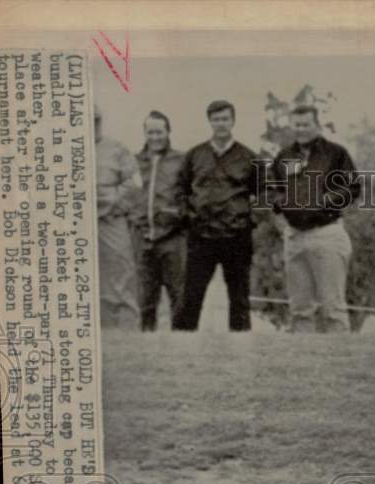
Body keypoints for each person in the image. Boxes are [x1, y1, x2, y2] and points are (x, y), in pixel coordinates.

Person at [268, 105, 360, 333]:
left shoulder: (336, 154)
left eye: (306, 124)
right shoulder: (284, 156)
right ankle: (304, 365)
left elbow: (353, 187)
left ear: (317, 125)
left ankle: (339, 363)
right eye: (297, 124)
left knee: (333, 308)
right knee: (299, 309)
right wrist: (282, 208)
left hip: (326, 233)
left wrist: (324, 200)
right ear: (291, 126)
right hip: (294, 237)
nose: (301, 129)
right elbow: (271, 189)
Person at [173, 100, 258, 331]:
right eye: (216, 119)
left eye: (225, 119)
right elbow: (180, 190)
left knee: (239, 296)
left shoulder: (249, 156)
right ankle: (180, 346)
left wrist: (248, 220)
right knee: (191, 294)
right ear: (209, 121)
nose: (221, 124)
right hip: (201, 236)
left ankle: (241, 348)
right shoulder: (195, 155)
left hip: (237, 237)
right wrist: (188, 216)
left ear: (233, 121)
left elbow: (263, 194)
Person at [131, 111, 187, 330]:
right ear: (145, 133)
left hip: (173, 239)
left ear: (168, 132)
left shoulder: (181, 161)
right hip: (143, 239)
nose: (155, 137)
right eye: (150, 132)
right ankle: (147, 350)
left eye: (159, 132)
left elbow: (192, 195)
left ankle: (181, 351)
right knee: (145, 300)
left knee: (179, 296)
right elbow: (128, 195)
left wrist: (177, 214)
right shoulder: (134, 162)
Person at [95, 105, 142, 329]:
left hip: (111, 221)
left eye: (96, 120)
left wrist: (112, 202)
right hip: (74, 224)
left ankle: (126, 332)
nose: (92, 125)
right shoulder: (61, 147)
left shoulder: (116, 149)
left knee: (121, 270)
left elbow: (134, 184)